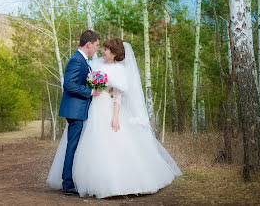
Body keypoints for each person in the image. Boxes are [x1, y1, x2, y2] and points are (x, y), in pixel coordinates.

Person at [47, 38, 181, 199]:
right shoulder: (95, 65)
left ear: (114, 53)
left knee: (110, 143)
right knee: (88, 144)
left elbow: (117, 96)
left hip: (107, 108)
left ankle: (115, 183)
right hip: (91, 109)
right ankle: (83, 181)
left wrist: (116, 116)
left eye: (106, 49)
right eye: (102, 48)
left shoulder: (119, 71)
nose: (102, 51)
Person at [57, 30, 101, 194]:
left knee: (75, 146)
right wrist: (90, 92)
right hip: (75, 110)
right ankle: (67, 184)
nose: (97, 48)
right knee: (72, 146)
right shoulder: (77, 60)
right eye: (96, 45)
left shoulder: (83, 60)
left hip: (78, 109)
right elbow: (68, 84)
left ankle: (70, 180)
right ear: (88, 44)